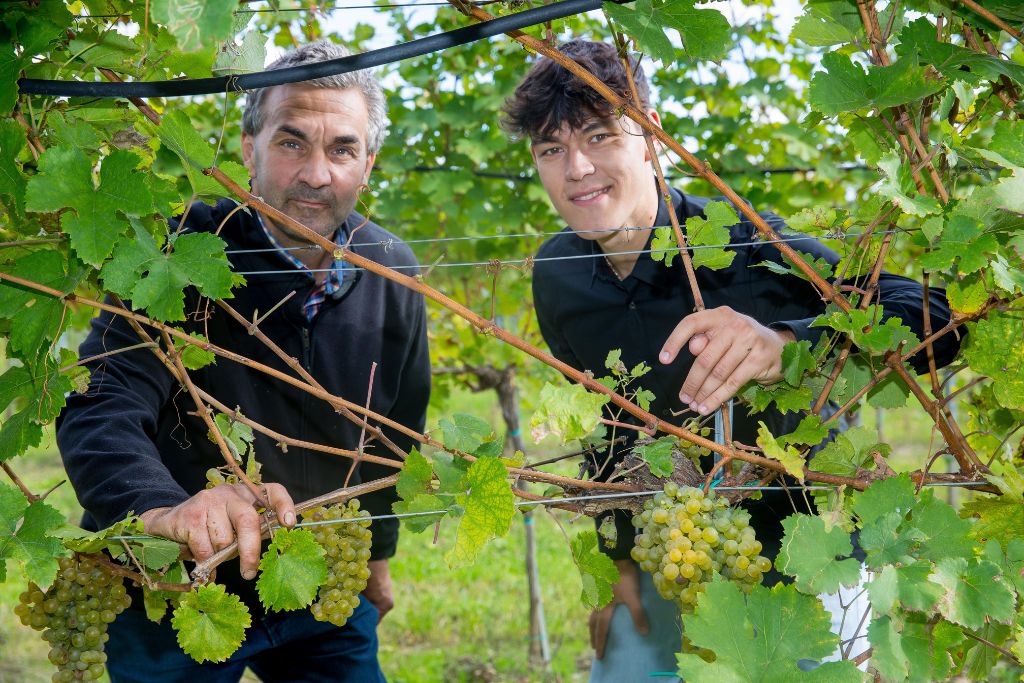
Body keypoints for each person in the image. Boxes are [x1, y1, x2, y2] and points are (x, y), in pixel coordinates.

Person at [502, 40, 961, 681]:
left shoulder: (742, 240)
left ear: (651, 141)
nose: (576, 168)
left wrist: (789, 342)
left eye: (600, 137)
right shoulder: (557, 272)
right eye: (551, 149)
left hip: (807, 551)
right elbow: (608, 424)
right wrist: (618, 564)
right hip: (676, 554)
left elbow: (937, 317)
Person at [56, 41, 430, 682]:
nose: (317, 173)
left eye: (342, 148)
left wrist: (377, 558)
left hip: (316, 579)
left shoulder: (393, 269)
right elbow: (102, 402)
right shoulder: (180, 253)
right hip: (175, 593)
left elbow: (394, 432)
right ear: (247, 147)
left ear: (368, 164)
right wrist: (164, 508)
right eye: (291, 142)